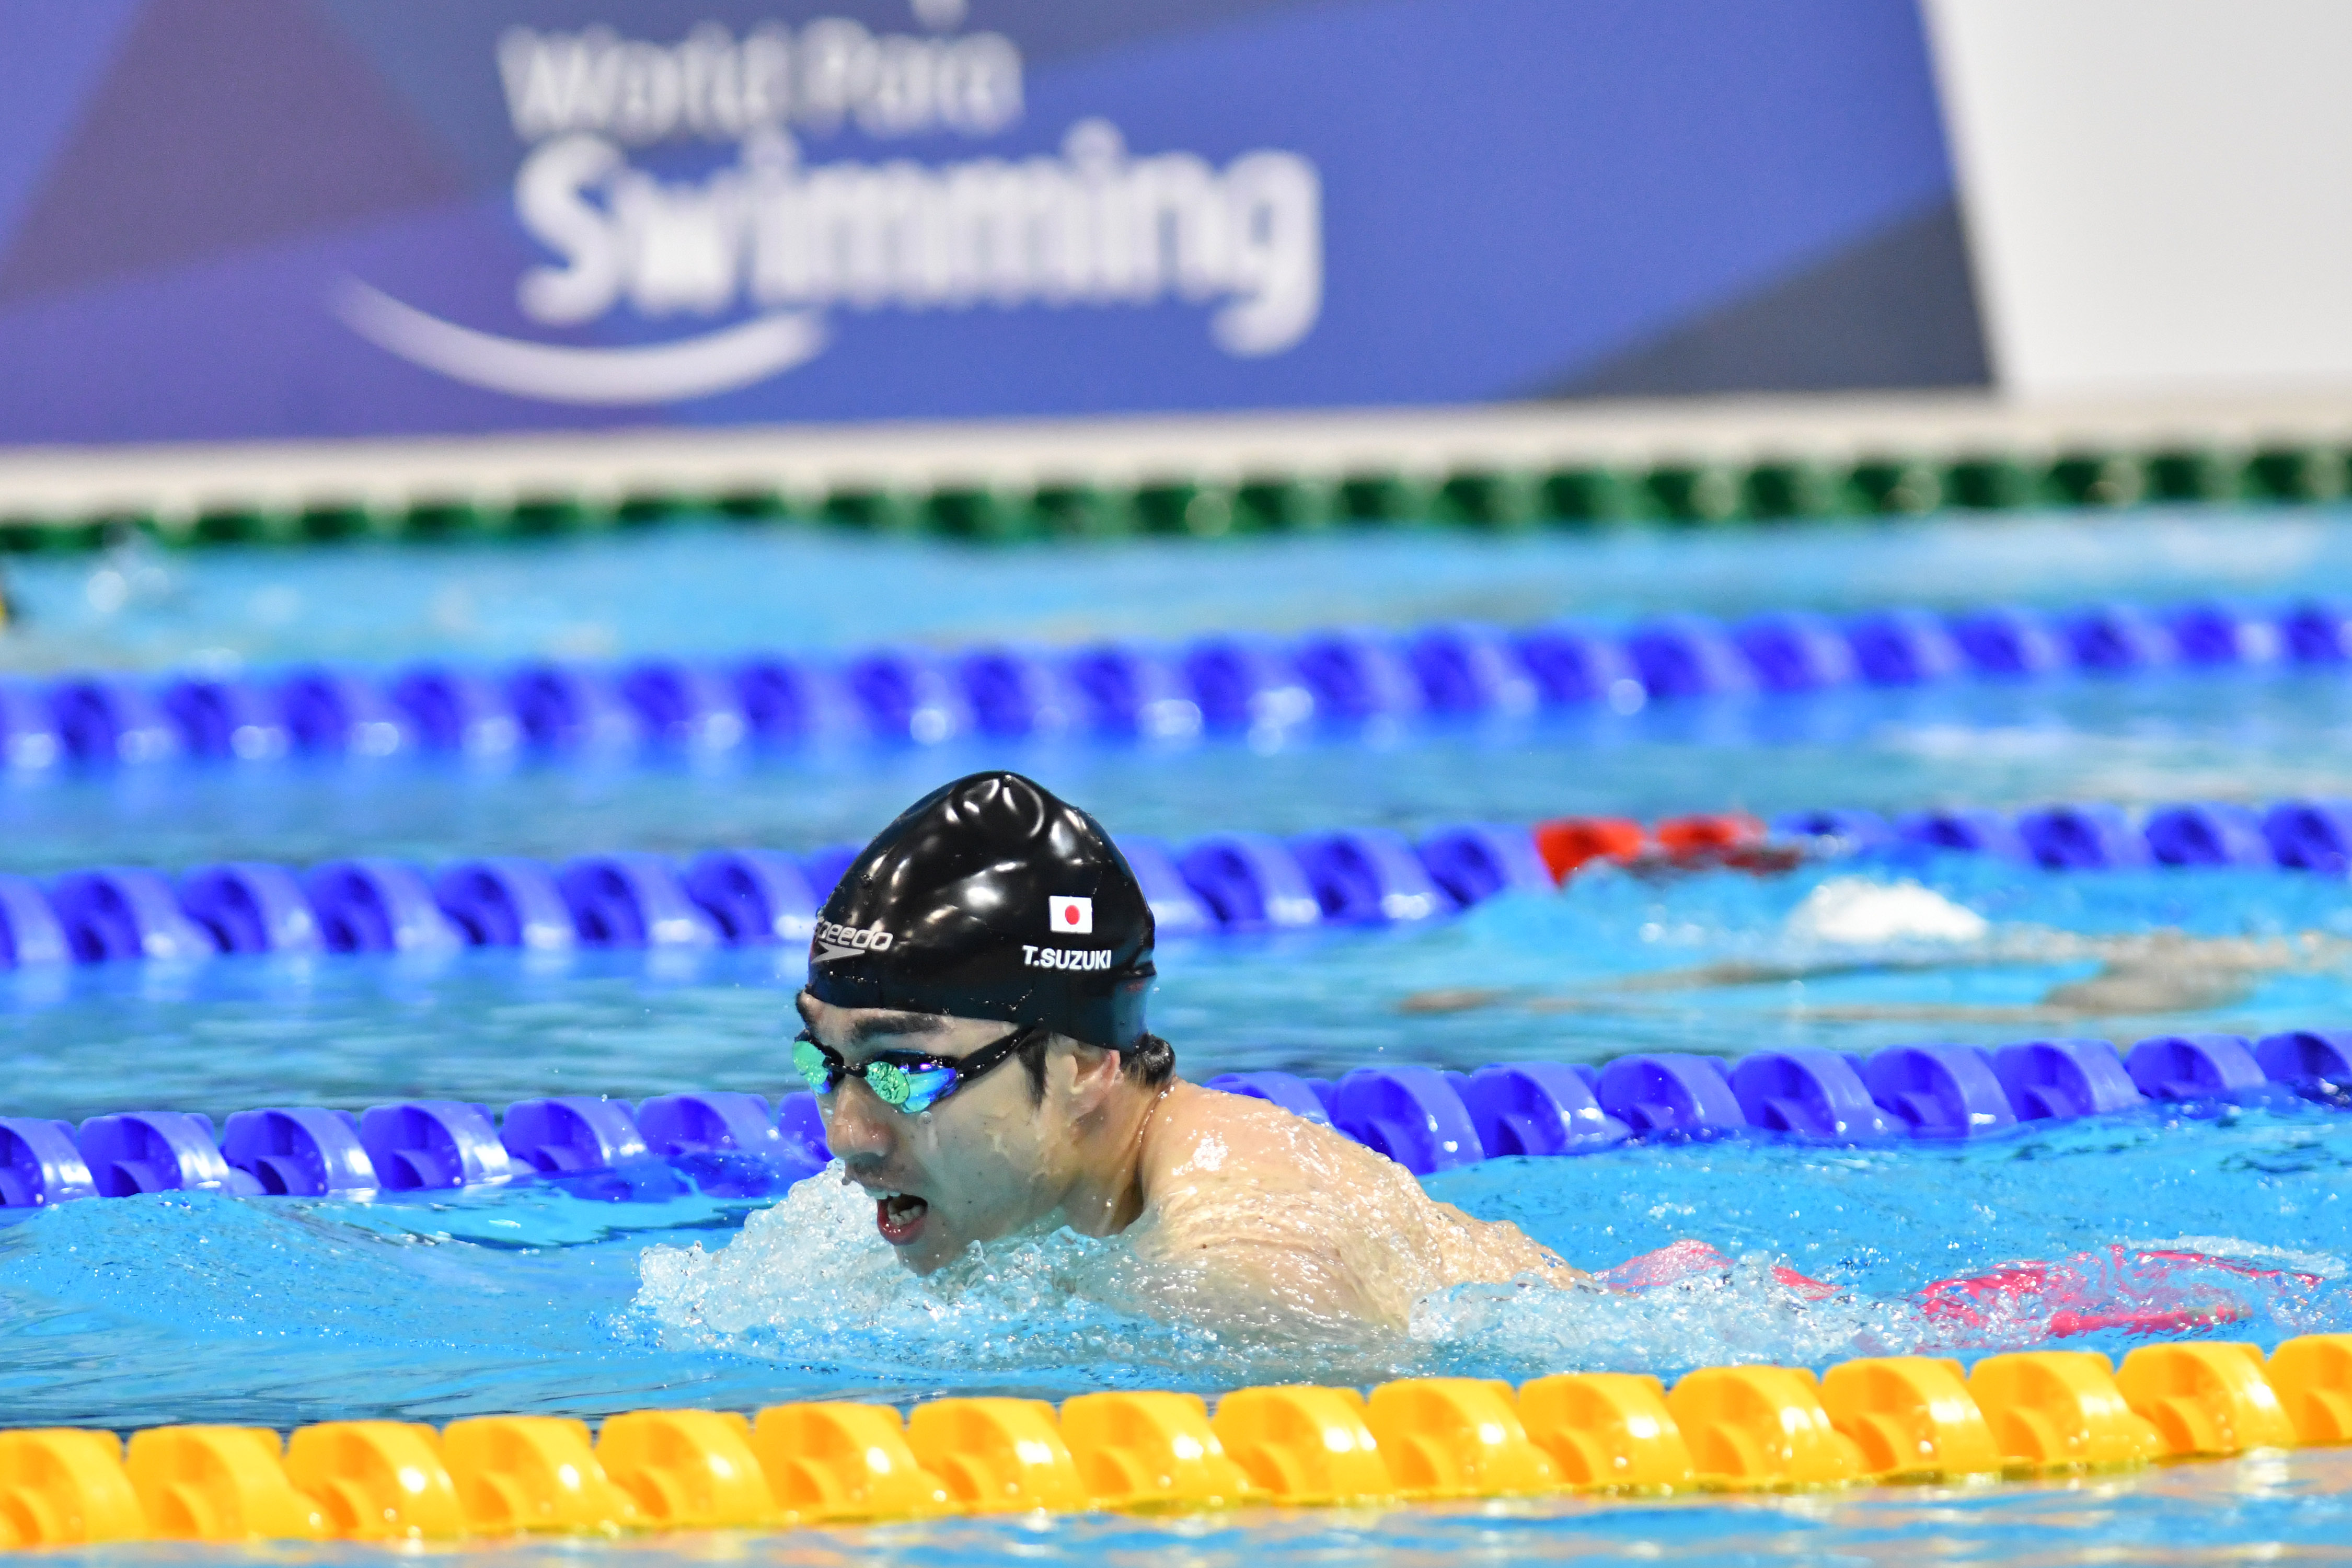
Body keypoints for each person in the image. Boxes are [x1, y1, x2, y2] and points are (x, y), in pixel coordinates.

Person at [793, 769, 1576, 1333]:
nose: (847, 1136)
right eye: (825, 1064)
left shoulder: (1238, 1272)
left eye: (906, 1072)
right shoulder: (1048, 1207)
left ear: (1084, 1064)